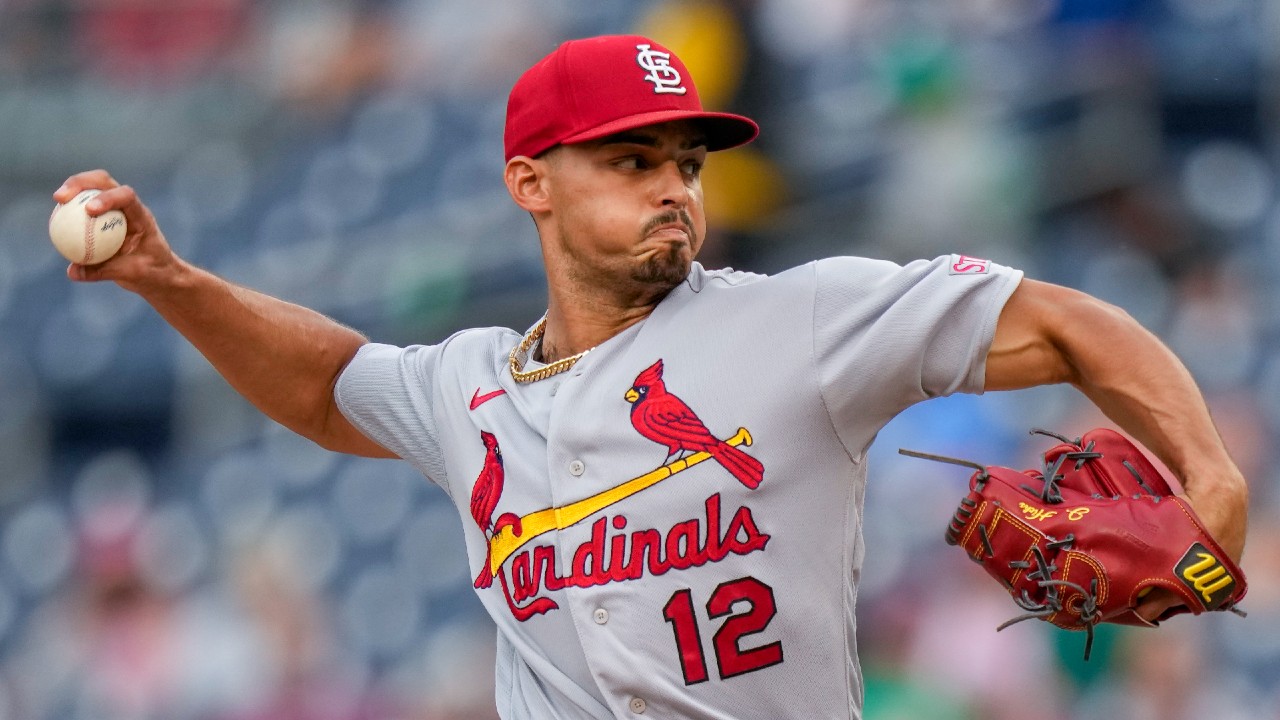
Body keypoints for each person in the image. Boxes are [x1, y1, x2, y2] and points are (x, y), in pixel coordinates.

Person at [55, 34, 1247, 720]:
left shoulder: (802, 319)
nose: (675, 187)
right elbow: (325, 386)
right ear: (531, 184)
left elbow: (1071, 324)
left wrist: (1206, 479)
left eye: (682, 161)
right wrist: (168, 276)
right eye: (631, 161)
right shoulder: (466, 387)